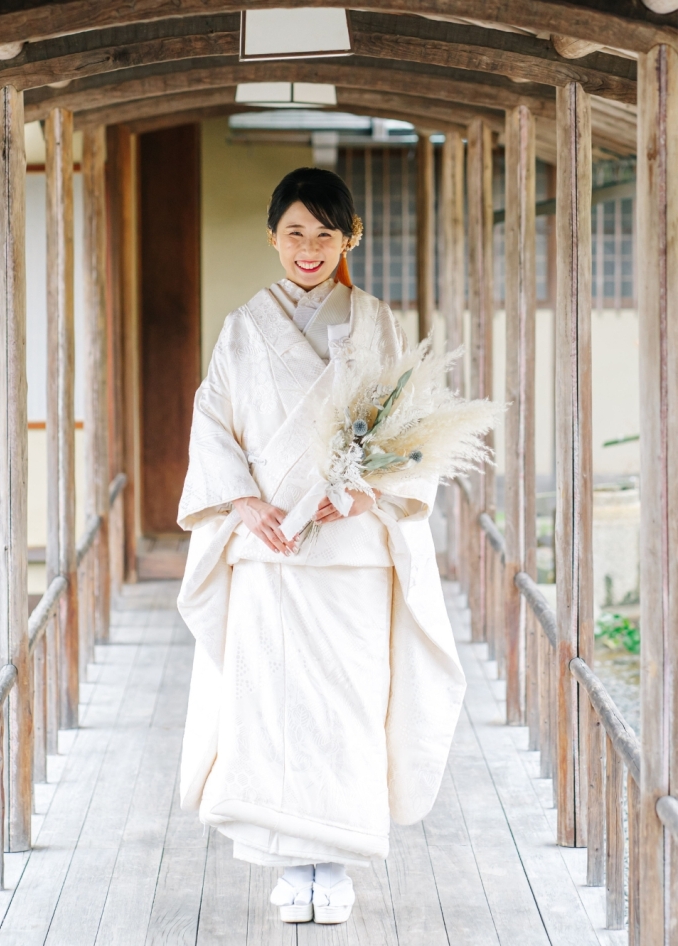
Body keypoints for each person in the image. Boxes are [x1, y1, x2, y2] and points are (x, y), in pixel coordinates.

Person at [177, 167, 466, 925]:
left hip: (349, 553)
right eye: (295, 233)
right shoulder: (243, 327)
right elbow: (214, 423)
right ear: (272, 236)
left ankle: (334, 860)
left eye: (324, 234)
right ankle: (286, 857)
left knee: (345, 703)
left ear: (349, 239)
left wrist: (363, 490)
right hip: (270, 547)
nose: (309, 249)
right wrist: (242, 500)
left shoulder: (376, 323)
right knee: (268, 705)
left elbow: (411, 432)